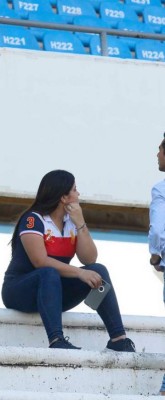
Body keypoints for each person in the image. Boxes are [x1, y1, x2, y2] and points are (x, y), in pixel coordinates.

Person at [2, 170, 135, 351]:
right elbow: (40, 261)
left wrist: (80, 223)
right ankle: (57, 340)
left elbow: (89, 258)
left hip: (53, 294)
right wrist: (80, 272)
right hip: (19, 291)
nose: (78, 194)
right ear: (63, 196)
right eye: (74, 190)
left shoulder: (70, 222)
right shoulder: (33, 220)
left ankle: (118, 339)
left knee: (98, 270)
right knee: (48, 273)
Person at [148, 133, 165, 395]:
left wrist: (155, 254)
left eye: (161, 148)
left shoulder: (161, 188)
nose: (157, 154)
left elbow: (160, 230)